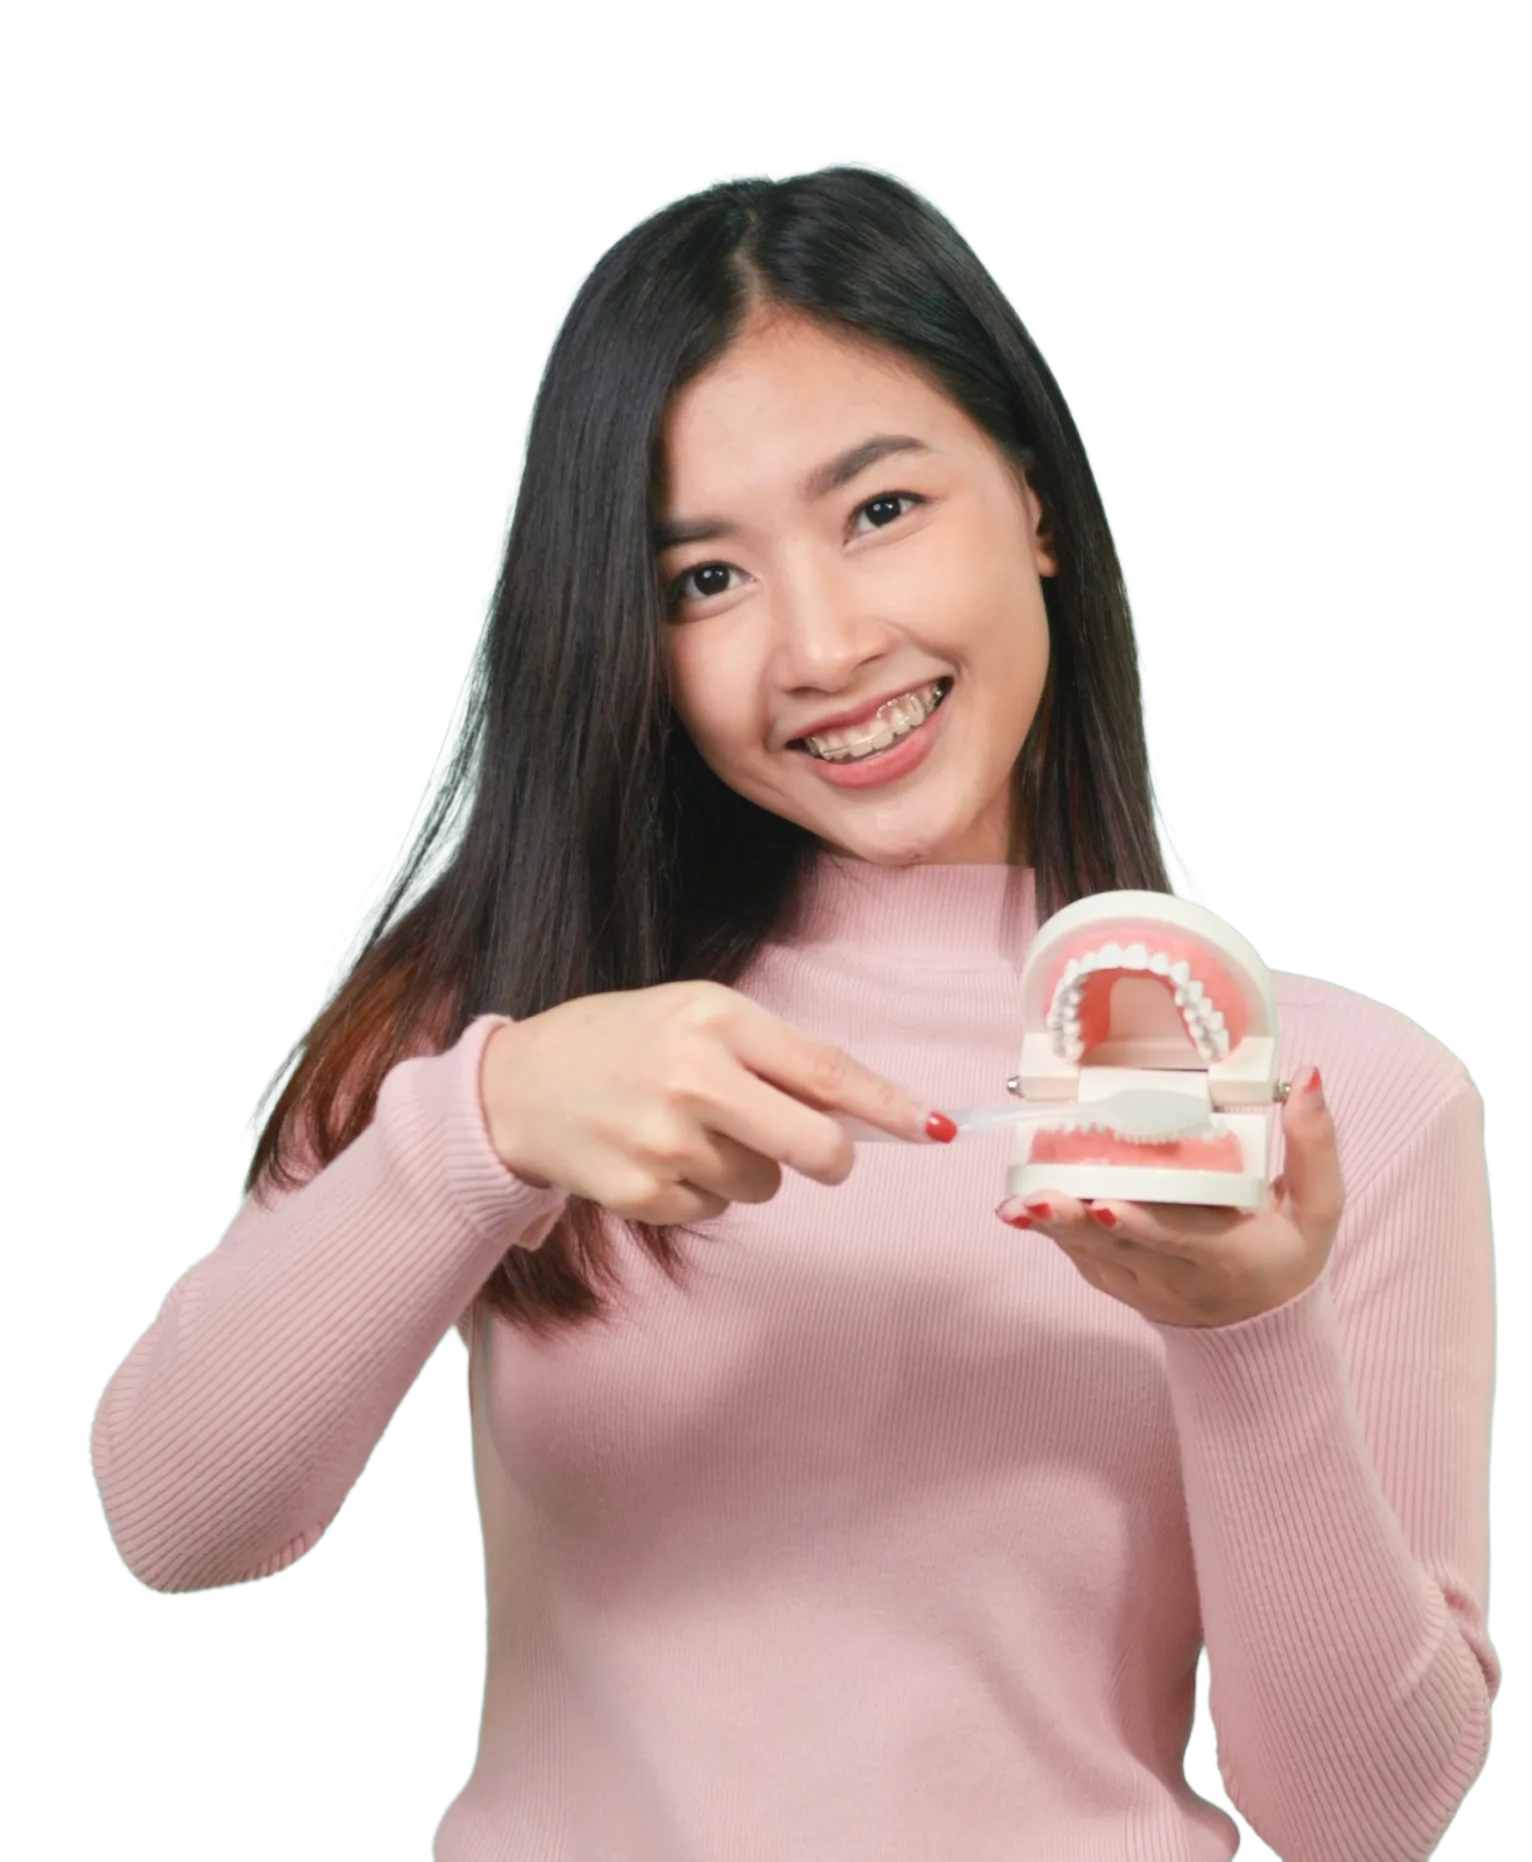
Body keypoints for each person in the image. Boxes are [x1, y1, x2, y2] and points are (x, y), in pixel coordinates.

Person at [86, 157, 1499, 1860]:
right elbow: (175, 1518)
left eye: (881, 510)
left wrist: (1247, 1331)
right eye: (704, 580)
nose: (820, 644)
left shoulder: (1340, 1089)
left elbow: (1366, 1817)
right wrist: (479, 1128)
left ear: (1040, 500)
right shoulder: (530, 1022)